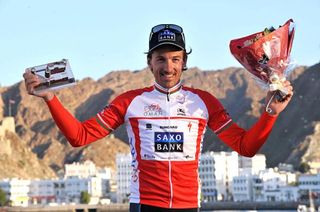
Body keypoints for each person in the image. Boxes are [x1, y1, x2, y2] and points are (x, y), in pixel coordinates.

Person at [23, 24, 293, 212]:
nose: (168, 67)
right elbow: (78, 137)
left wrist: (270, 114)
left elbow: (246, 147)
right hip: (145, 206)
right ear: (149, 62)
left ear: (184, 62)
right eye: (160, 59)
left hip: (189, 206)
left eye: (175, 59)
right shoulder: (130, 102)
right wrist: (50, 98)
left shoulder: (203, 102)